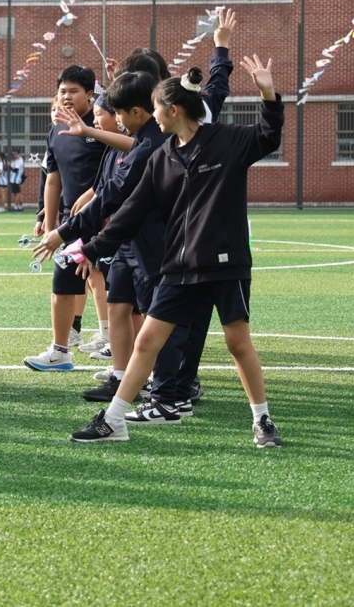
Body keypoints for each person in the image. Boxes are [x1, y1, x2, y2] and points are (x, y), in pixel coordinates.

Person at [62, 56, 283, 448]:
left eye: (157, 109)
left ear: (173, 109)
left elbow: (268, 135)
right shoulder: (162, 156)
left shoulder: (227, 141)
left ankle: (262, 420)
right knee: (147, 341)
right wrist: (91, 249)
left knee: (237, 343)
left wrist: (267, 93)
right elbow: (130, 213)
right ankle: (114, 420)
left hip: (224, 263)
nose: (153, 118)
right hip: (180, 266)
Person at [22, 66, 108, 372]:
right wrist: (49, 225)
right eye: (62, 91)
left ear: (90, 94)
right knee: (63, 284)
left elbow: (117, 173)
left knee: (110, 283)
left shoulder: (101, 125)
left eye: (74, 91)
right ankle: (60, 351)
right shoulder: (56, 130)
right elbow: (53, 179)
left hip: (106, 219)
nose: (67, 97)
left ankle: (115, 345)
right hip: (71, 224)